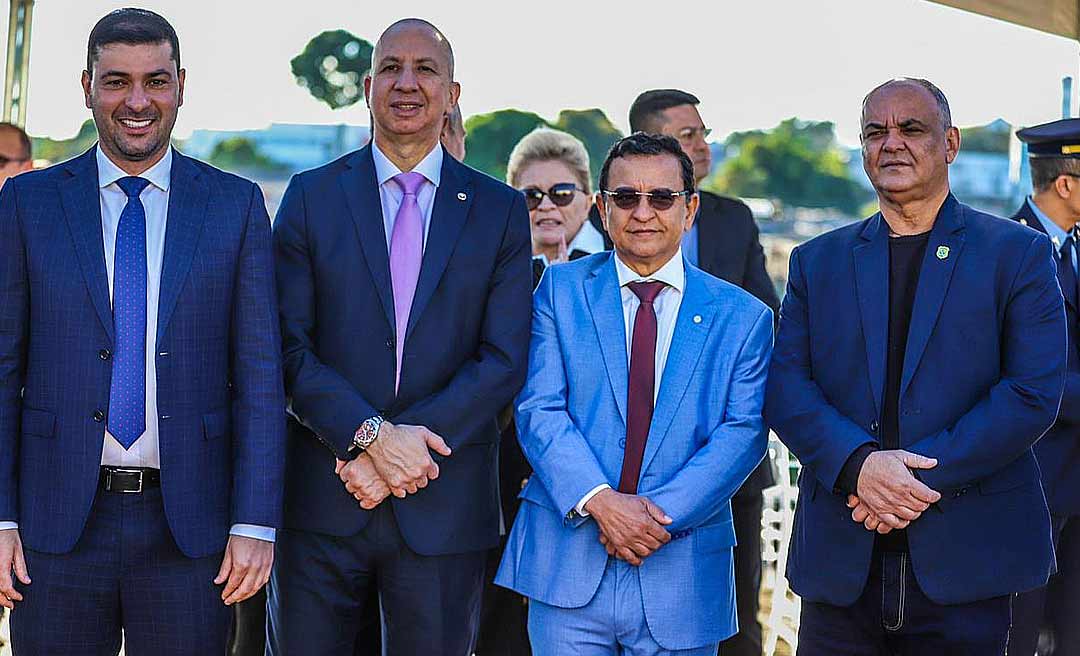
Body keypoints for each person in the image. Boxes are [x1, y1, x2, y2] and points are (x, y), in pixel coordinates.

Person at [0, 8, 285, 654]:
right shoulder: (27, 203)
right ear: (86, 87)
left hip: (192, 530)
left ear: (181, 85)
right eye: (116, 81)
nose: (137, 101)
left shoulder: (235, 206)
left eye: (156, 81)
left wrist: (254, 522)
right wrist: (0, 515)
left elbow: (261, 378)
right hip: (54, 525)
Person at [765, 78, 1065, 655]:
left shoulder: (1016, 254)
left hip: (968, 564)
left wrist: (907, 482)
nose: (892, 143)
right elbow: (786, 386)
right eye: (875, 132)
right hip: (841, 566)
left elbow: (1031, 393)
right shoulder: (816, 261)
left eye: (911, 129)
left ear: (949, 143)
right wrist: (857, 466)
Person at [268, 18, 532, 655]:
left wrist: (405, 451)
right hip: (325, 499)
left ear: (452, 93)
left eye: (425, 70)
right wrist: (371, 438)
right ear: (367, 88)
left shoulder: (499, 210)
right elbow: (285, 347)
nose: (406, 83)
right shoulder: (310, 198)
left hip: (444, 506)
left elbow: (502, 359)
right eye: (390, 68)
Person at [496, 132, 772, 655]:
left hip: (682, 574)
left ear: (690, 210)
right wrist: (602, 504)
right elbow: (539, 409)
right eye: (626, 198)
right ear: (602, 209)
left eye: (662, 198)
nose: (643, 212)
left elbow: (742, 435)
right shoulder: (557, 291)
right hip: (566, 567)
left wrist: (649, 519)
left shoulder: (744, 317)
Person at [611, 87, 779, 655]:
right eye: (688, 135)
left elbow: (767, 322)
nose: (703, 145)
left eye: (703, 133)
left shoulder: (734, 220)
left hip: (727, 467)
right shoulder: (615, 220)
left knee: (738, 615)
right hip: (621, 482)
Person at [474, 127, 606, 655]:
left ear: (589, 201)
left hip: (595, 477)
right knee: (499, 627)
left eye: (561, 193)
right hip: (500, 473)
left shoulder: (617, 273)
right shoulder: (486, 275)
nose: (546, 206)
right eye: (530, 196)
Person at [1008, 118, 1080, 656]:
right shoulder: (1008, 252)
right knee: (1021, 630)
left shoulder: (1075, 246)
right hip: (1033, 479)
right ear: (1065, 183)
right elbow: (1022, 374)